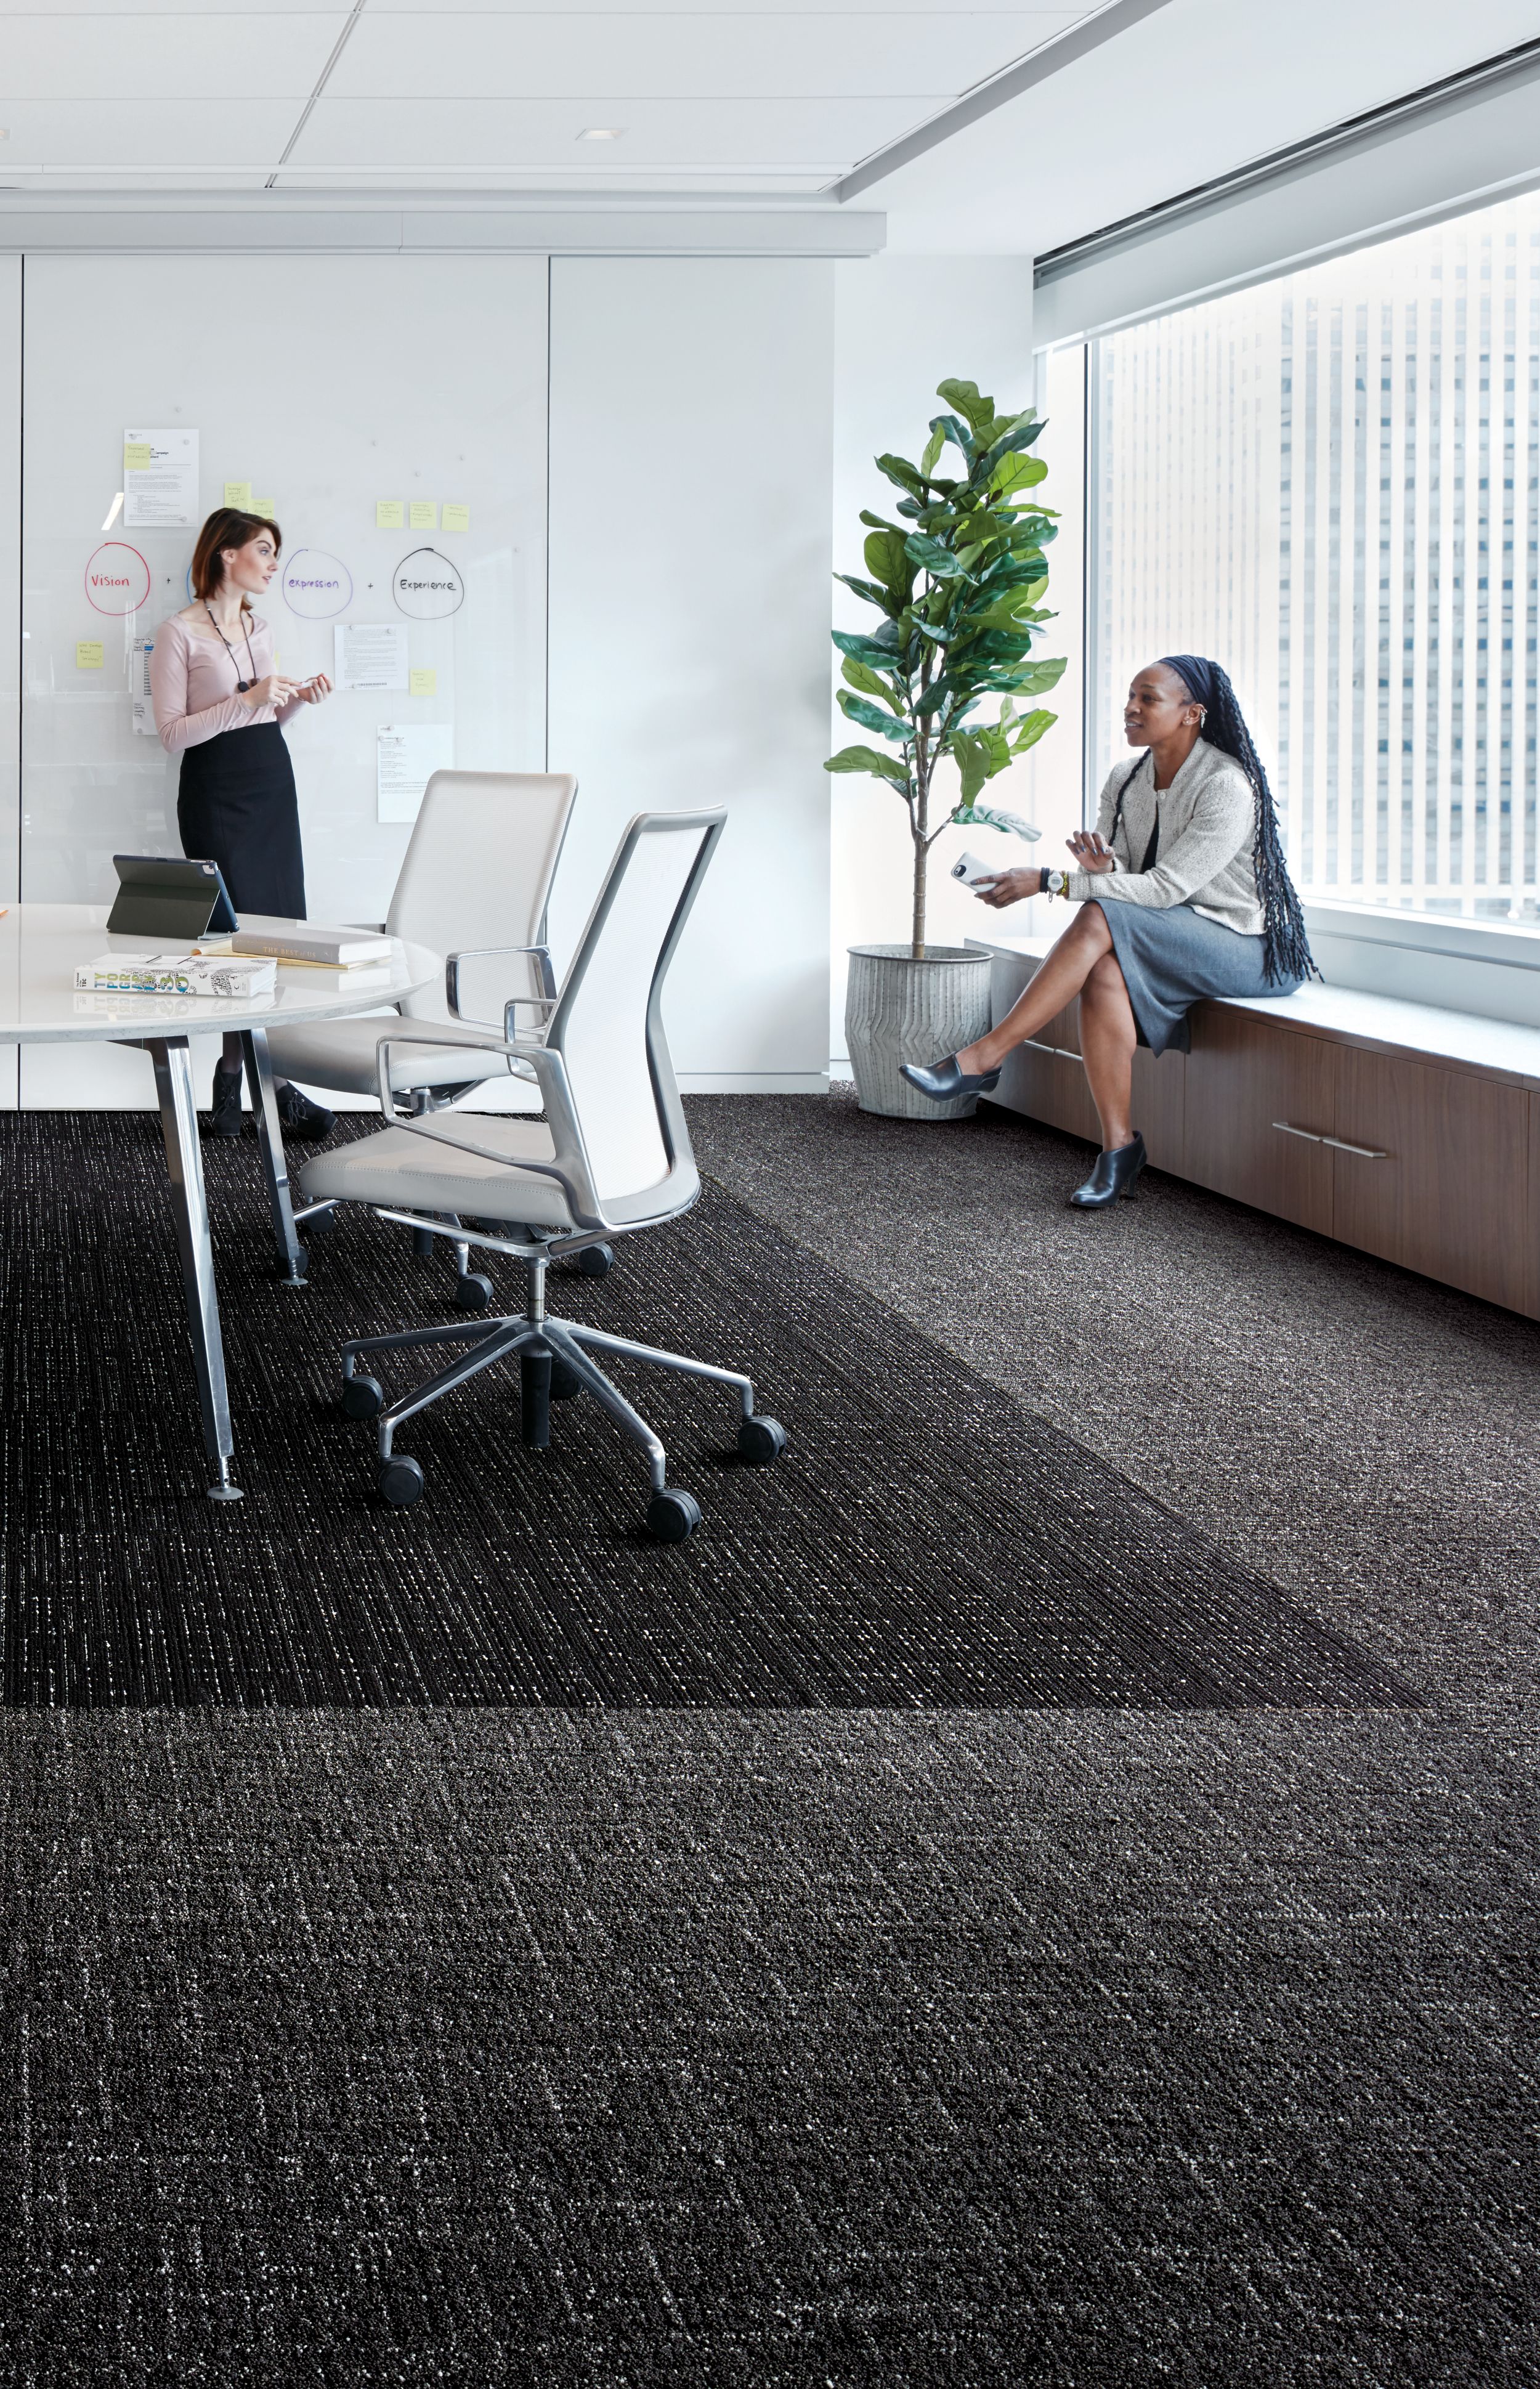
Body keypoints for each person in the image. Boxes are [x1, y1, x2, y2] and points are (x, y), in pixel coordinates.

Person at [902, 655, 1318, 1207]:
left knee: (1099, 917)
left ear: (1192, 714)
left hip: (1246, 948)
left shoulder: (1226, 785)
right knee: (1102, 971)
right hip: (1176, 931)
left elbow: (1166, 890)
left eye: (1148, 698)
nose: (1131, 708)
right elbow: (1128, 881)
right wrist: (1104, 873)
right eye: (1130, 696)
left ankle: (983, 1059)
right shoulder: (1126, 779)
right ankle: (1119, 1151)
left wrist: (1050, 880)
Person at [149, 506, 337, 1139]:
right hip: (216, 793)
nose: (273, 564)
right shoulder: (178, 632)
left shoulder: (259, 627)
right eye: (264, 550)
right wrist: (247, 700)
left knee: (277, 934)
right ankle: (259, 1082)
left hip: (269, 782)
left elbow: (262, 718)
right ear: (227, 553)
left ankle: (247, 1079)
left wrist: (294, 703)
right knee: (236, 938)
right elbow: (172, 734)